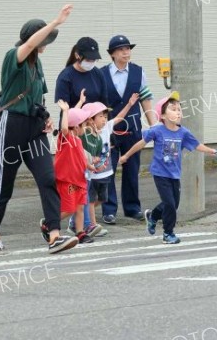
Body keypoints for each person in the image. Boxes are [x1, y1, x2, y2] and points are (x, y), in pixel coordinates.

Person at [0, 4, 78, 254]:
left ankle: (54, 234)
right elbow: (27, 45)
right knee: (5, 182)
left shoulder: (39, 66)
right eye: (45, 38)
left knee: (48, 178)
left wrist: (46, 117)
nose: (47, 43)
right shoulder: (13, 56)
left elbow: (39, 97)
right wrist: (55, 22)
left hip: (34, 127)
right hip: (11, 124)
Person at [118, 92, 217, 244]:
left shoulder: (184, 132)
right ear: (162, 116)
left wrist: (210, 150)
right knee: (170, 203)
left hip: (175, 174)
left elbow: (196, 145)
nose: (178, 112)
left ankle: (153, 216)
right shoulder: (157, 130)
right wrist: (126, 156)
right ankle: (168, 233)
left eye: (179, 109)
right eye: (173, 109)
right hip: (160, 173)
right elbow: (141, 143)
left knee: (173, 204)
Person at [101, 35, 156, 224]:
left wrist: (154, 126)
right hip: (110, 130)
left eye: (128, 48)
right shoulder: (101, 74)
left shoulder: (138, 72)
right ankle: (109, 210)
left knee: (132, 169)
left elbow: (146, 100)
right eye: (121, 49)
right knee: (107, 169)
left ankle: (133, 208)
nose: (126, 52)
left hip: (133, 129)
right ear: (112, 54)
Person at [73, 95, 139, 237]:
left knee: (101, 199)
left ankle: (76, 219)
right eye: (101, 116)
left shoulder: (106, 128)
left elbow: (119, 118)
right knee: (90, 200)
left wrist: (129, 104)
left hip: (105, 172)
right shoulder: (85, 133)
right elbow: (75, 119)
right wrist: (80, 103)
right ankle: (92, 225)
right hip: (91, 174)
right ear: (90, 119)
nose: (104, 119)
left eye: (105, 116)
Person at [55, 102, 92, 243]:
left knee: (80, 208)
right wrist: (65, 111)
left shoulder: (78, 140)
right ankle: (49, 222)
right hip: (68, 180)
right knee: (69, 209)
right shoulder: (66, 139)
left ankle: (80, 232)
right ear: (76, 126)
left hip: (79, 179)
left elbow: (81, 158)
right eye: (83, 124)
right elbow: (64, 128)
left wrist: (89, 166)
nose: (86, 127)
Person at [55, 37, 108, 108]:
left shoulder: (98, 74)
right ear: (77, 55)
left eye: (94, 59)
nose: (91, 62)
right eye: (88, 59)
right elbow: (65, 109)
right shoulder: (65, 76)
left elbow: (104, 102)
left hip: (96, 118)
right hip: (72, 118)